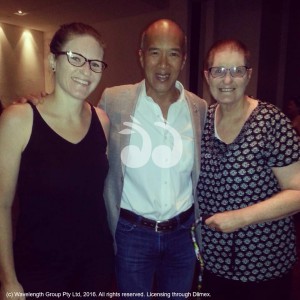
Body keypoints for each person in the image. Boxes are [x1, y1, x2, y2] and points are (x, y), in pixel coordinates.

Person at [0, 22, 114, 299]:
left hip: (95, 266)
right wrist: (8, 281)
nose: (86, 71)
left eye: (95, 63)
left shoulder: (102, 121)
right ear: (53, 60)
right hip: (40, 269)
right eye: (76, 58)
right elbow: (1, 206)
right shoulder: (19, 120)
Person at [99, 19, 207, 298]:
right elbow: (82, 130)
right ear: (141, 55)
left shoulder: (199, 108)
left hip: (183, 235)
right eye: (154, 52)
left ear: (183, 60)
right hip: (132, 233)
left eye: (173, 54)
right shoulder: (114, 100)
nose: (163, 64)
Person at [197, 39, 300, 300]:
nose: (227, 80)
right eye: (219, 71)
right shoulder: (202, 120)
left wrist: (240, 218)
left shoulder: (271, 121)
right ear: (207, 76)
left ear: (248, 75)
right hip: (211, 263)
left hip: (263, 265)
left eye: (237, 70)